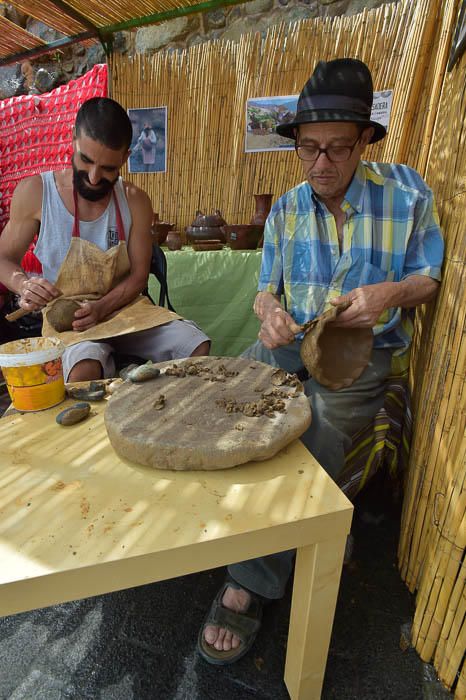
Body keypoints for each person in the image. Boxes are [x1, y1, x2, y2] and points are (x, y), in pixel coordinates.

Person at [198, 58, 444, 665]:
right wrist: (267, 313)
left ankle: (249, 581)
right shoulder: (284, 210)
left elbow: (430, 279)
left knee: (315, 434)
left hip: (359, 356)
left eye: (338, 148)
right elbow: (266, 292)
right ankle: (223, 524)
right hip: (290, 341)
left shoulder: (407, 194)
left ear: (365, 140)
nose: (321, 165)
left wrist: (390, 293)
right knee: (224, 397)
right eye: (308, 150)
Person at [0, 97, 210, 381]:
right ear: (74, 141)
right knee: (83, 371)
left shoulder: (135, 201)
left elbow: (138, 276)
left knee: (195, 344)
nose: (95, 177)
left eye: (108, 168)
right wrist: (23, 284)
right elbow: (3, 258)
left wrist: (101, 308)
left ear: (125, 158)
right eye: (86, 161)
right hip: (70, 320)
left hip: (124, 308)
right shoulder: (37, 192)